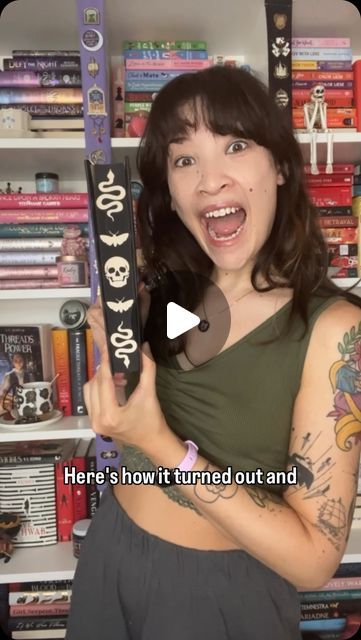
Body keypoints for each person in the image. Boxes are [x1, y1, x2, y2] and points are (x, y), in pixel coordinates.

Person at [66, 66, 361, 640]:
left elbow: (314, 559)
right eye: (184, 160)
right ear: (171, 197)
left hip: (220, 597)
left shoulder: (335, 330)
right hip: (111, 554)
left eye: (235, 145)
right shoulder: (177, 293)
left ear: (278, 167)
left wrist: (159, 443)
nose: (209, 180)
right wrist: (122, 349)